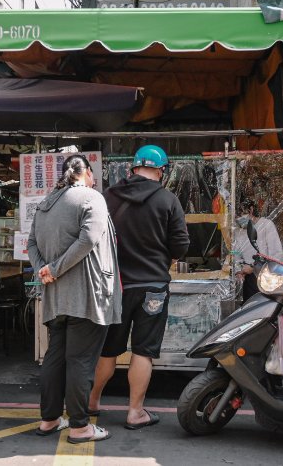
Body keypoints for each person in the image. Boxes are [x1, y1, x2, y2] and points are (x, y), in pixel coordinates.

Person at [89, 145, 189, 430]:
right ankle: (135, 412)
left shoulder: (108, 196)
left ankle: (92, 401)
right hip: (153, 287)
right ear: (161, 170)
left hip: (115, 286)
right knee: (143, 351)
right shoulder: (168, 200)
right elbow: (180, 246)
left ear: (132, 168)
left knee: (108, 350)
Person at [28, 155, 122, 443]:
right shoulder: (91, 198)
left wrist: (43, 270)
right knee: (80, 361)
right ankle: (80, 426)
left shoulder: (46, 204)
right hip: (87, 295)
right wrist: (53, 269)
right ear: (87, 173)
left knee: (55, 358)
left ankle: (49, 419)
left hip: (55, 297)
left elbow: (31, 243)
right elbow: (89, 239)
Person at [232, 198, 283, 300]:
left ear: (251, 210)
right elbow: (235, 253)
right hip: (249, 279)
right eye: (236, 216)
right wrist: (238, 271)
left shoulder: (266, 225)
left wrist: (254, 268)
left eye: (241, 214)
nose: (238, 218)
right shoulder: (238, 232)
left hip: (268, 278)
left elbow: (277, 256)